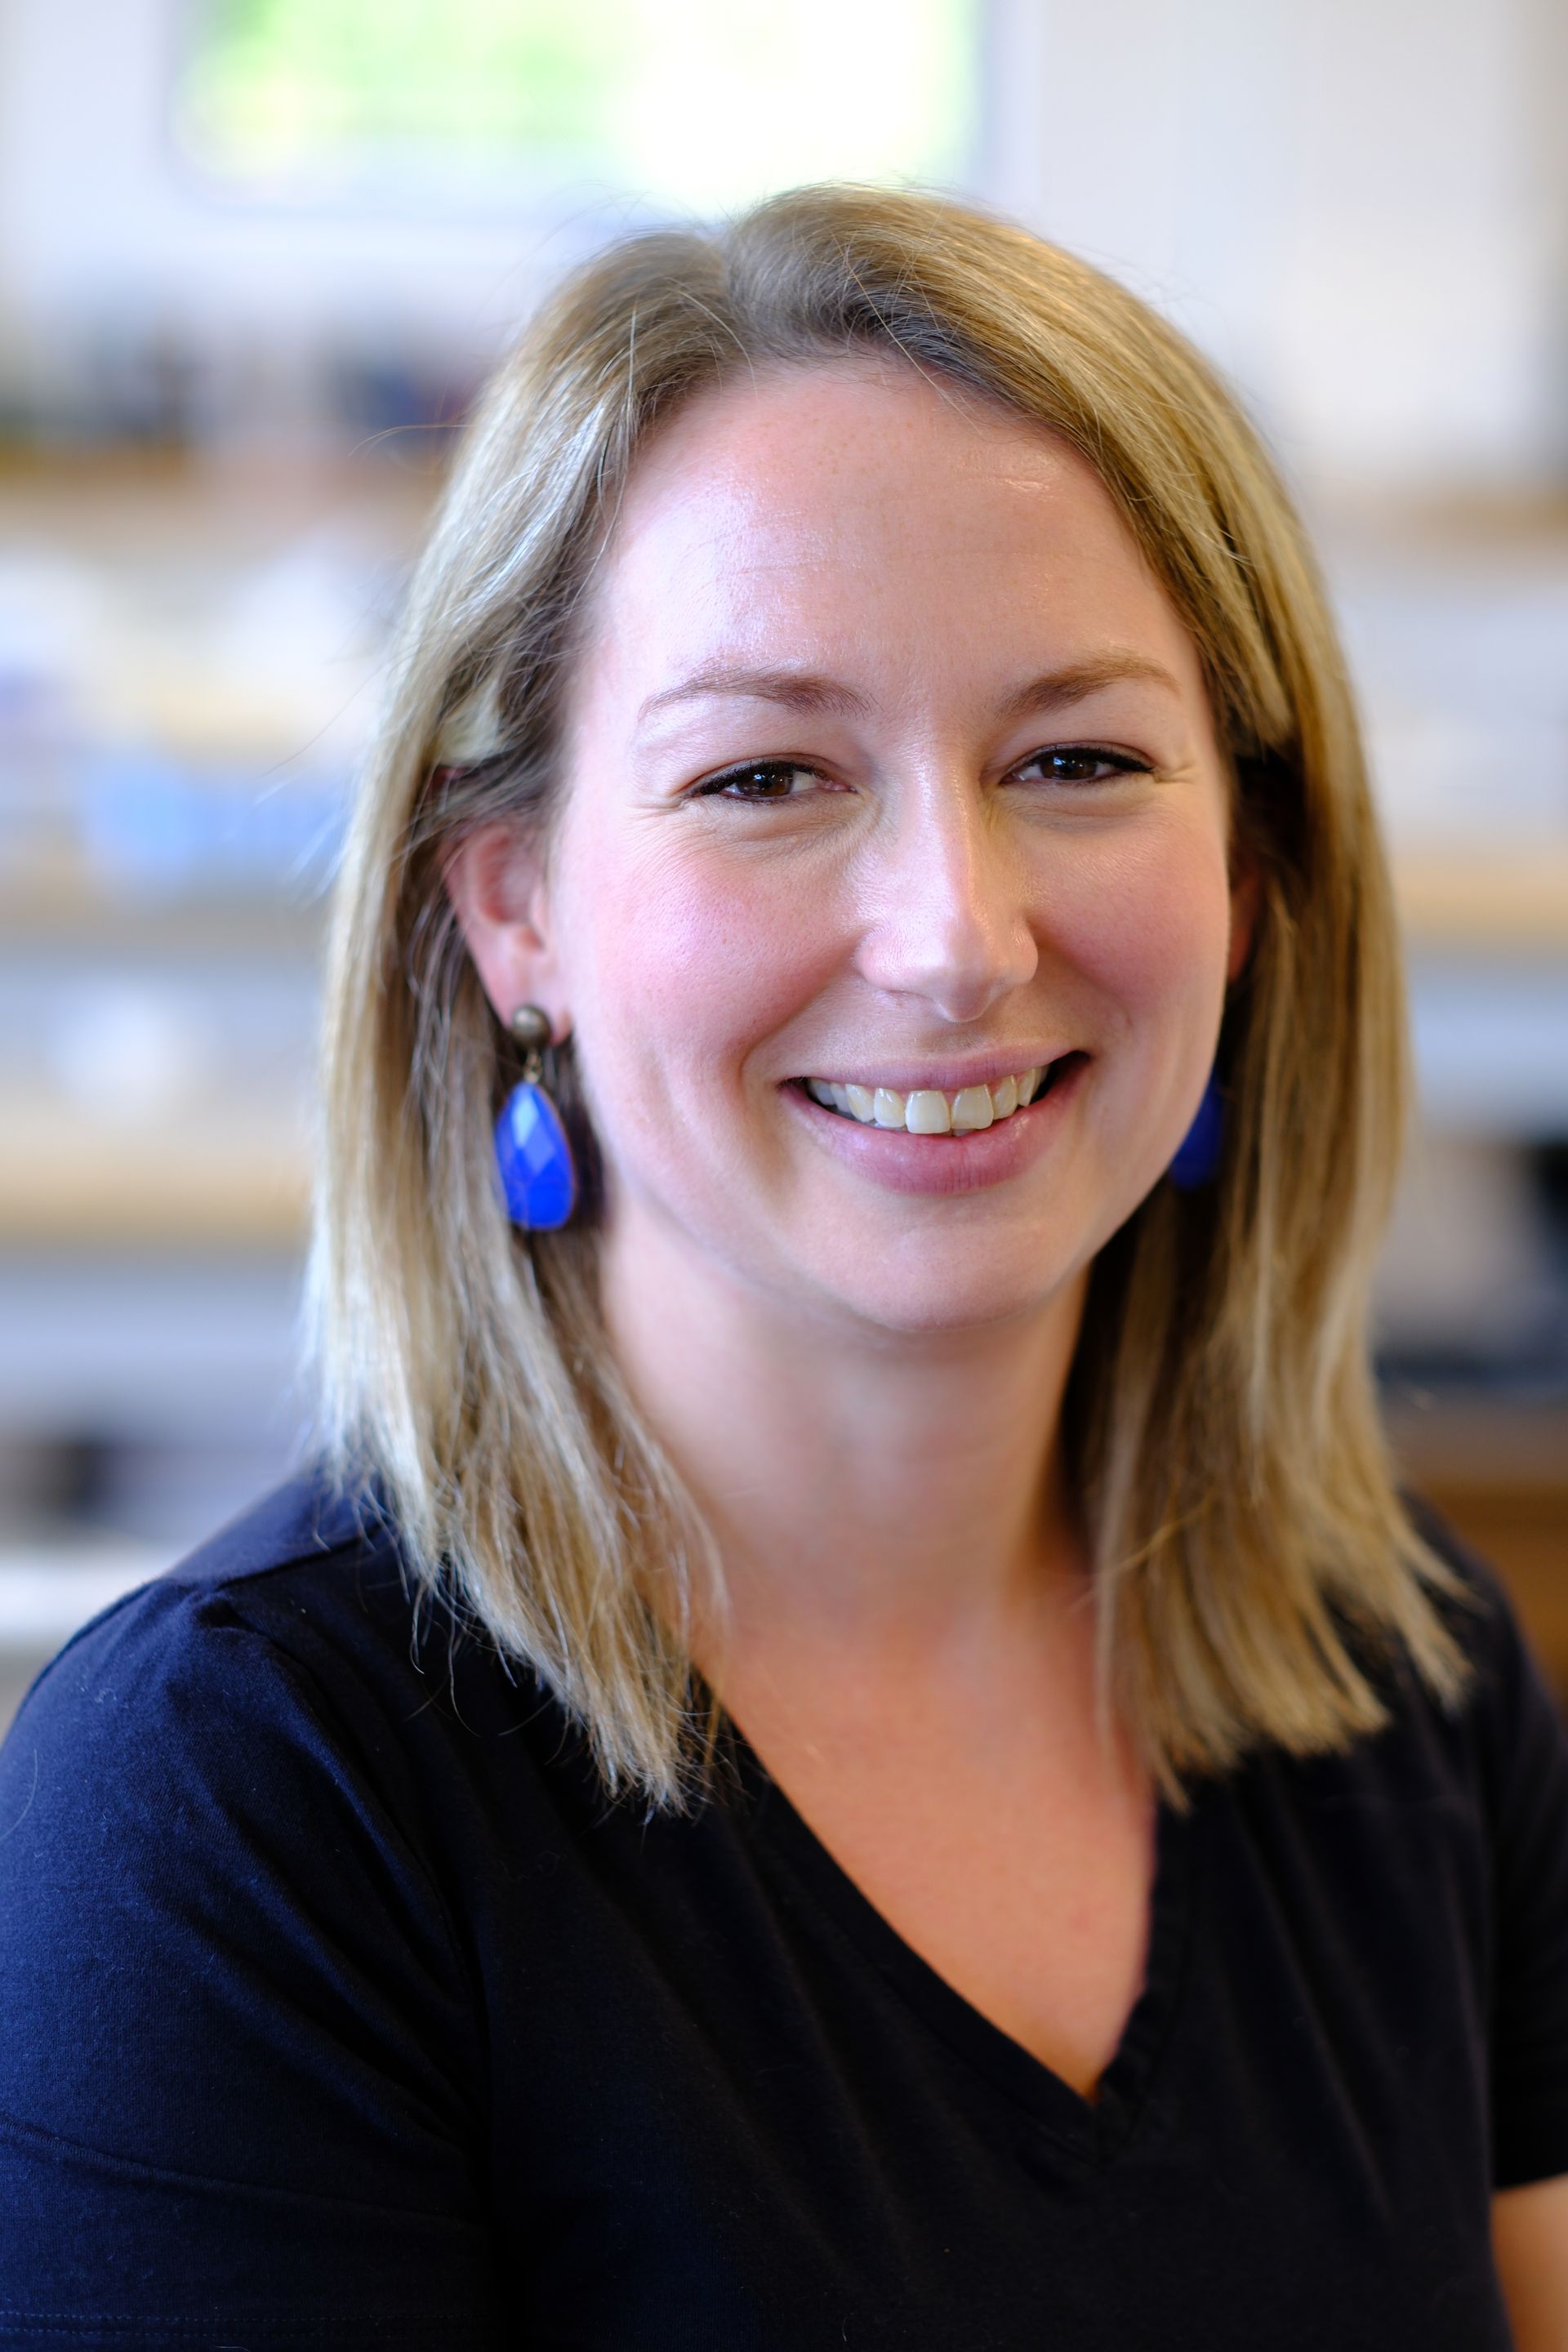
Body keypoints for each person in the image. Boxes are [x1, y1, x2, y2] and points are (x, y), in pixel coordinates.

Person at [1, 185, 1565, 2350]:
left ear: (1262, 873)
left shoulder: (1411, 1682)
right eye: (764, 774)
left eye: (1081, 759)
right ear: (512, 908)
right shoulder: (238, 1809)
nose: (953, 937)